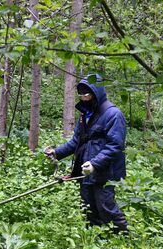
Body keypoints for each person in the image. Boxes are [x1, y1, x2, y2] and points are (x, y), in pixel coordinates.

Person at [44, 74, 128, 233]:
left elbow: (115, 145)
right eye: (81, 94)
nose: (84, 98)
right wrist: (57, 153)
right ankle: (96, 240)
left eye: (87, 94)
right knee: (88, 208)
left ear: (97, 93)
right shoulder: (85, 115)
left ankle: (124, 240)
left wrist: (95, 164)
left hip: (105, 171)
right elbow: (77, 141)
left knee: (106, 208)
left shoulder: (113, 114)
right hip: (85, 170)